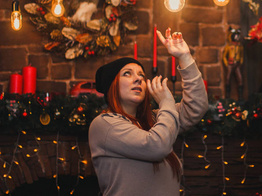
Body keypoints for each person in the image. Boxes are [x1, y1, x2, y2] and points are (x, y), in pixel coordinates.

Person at [88, 28, 208, 196]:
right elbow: (156, 146)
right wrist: (167, 102)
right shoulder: (105, 124)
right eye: (127, 74)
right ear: (112, 86)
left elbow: (196, 107)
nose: (138, 78)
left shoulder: (154, 119)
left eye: (141, 75)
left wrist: (185, 57)